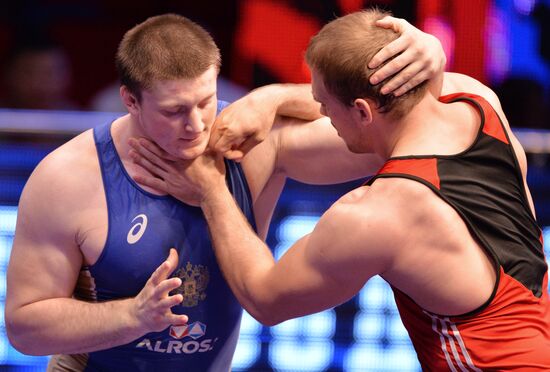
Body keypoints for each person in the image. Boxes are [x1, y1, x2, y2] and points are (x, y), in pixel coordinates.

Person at [4, 12, 445, 371]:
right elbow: (25, 328)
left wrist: (271, 98)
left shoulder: (251, 145)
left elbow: (387, 133)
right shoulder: (68, 177)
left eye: (205, 101)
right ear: (131, 101)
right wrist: (131, 317)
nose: (195, 125)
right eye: (174, 111)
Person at [130, 9, 550, 370]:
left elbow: (266, 299)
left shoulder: (378, 213)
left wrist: (210, 189)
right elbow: (380, 86)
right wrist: (272, 99)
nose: (323, 117)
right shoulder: (476, 100)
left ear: (363, 113)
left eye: (325, 107)